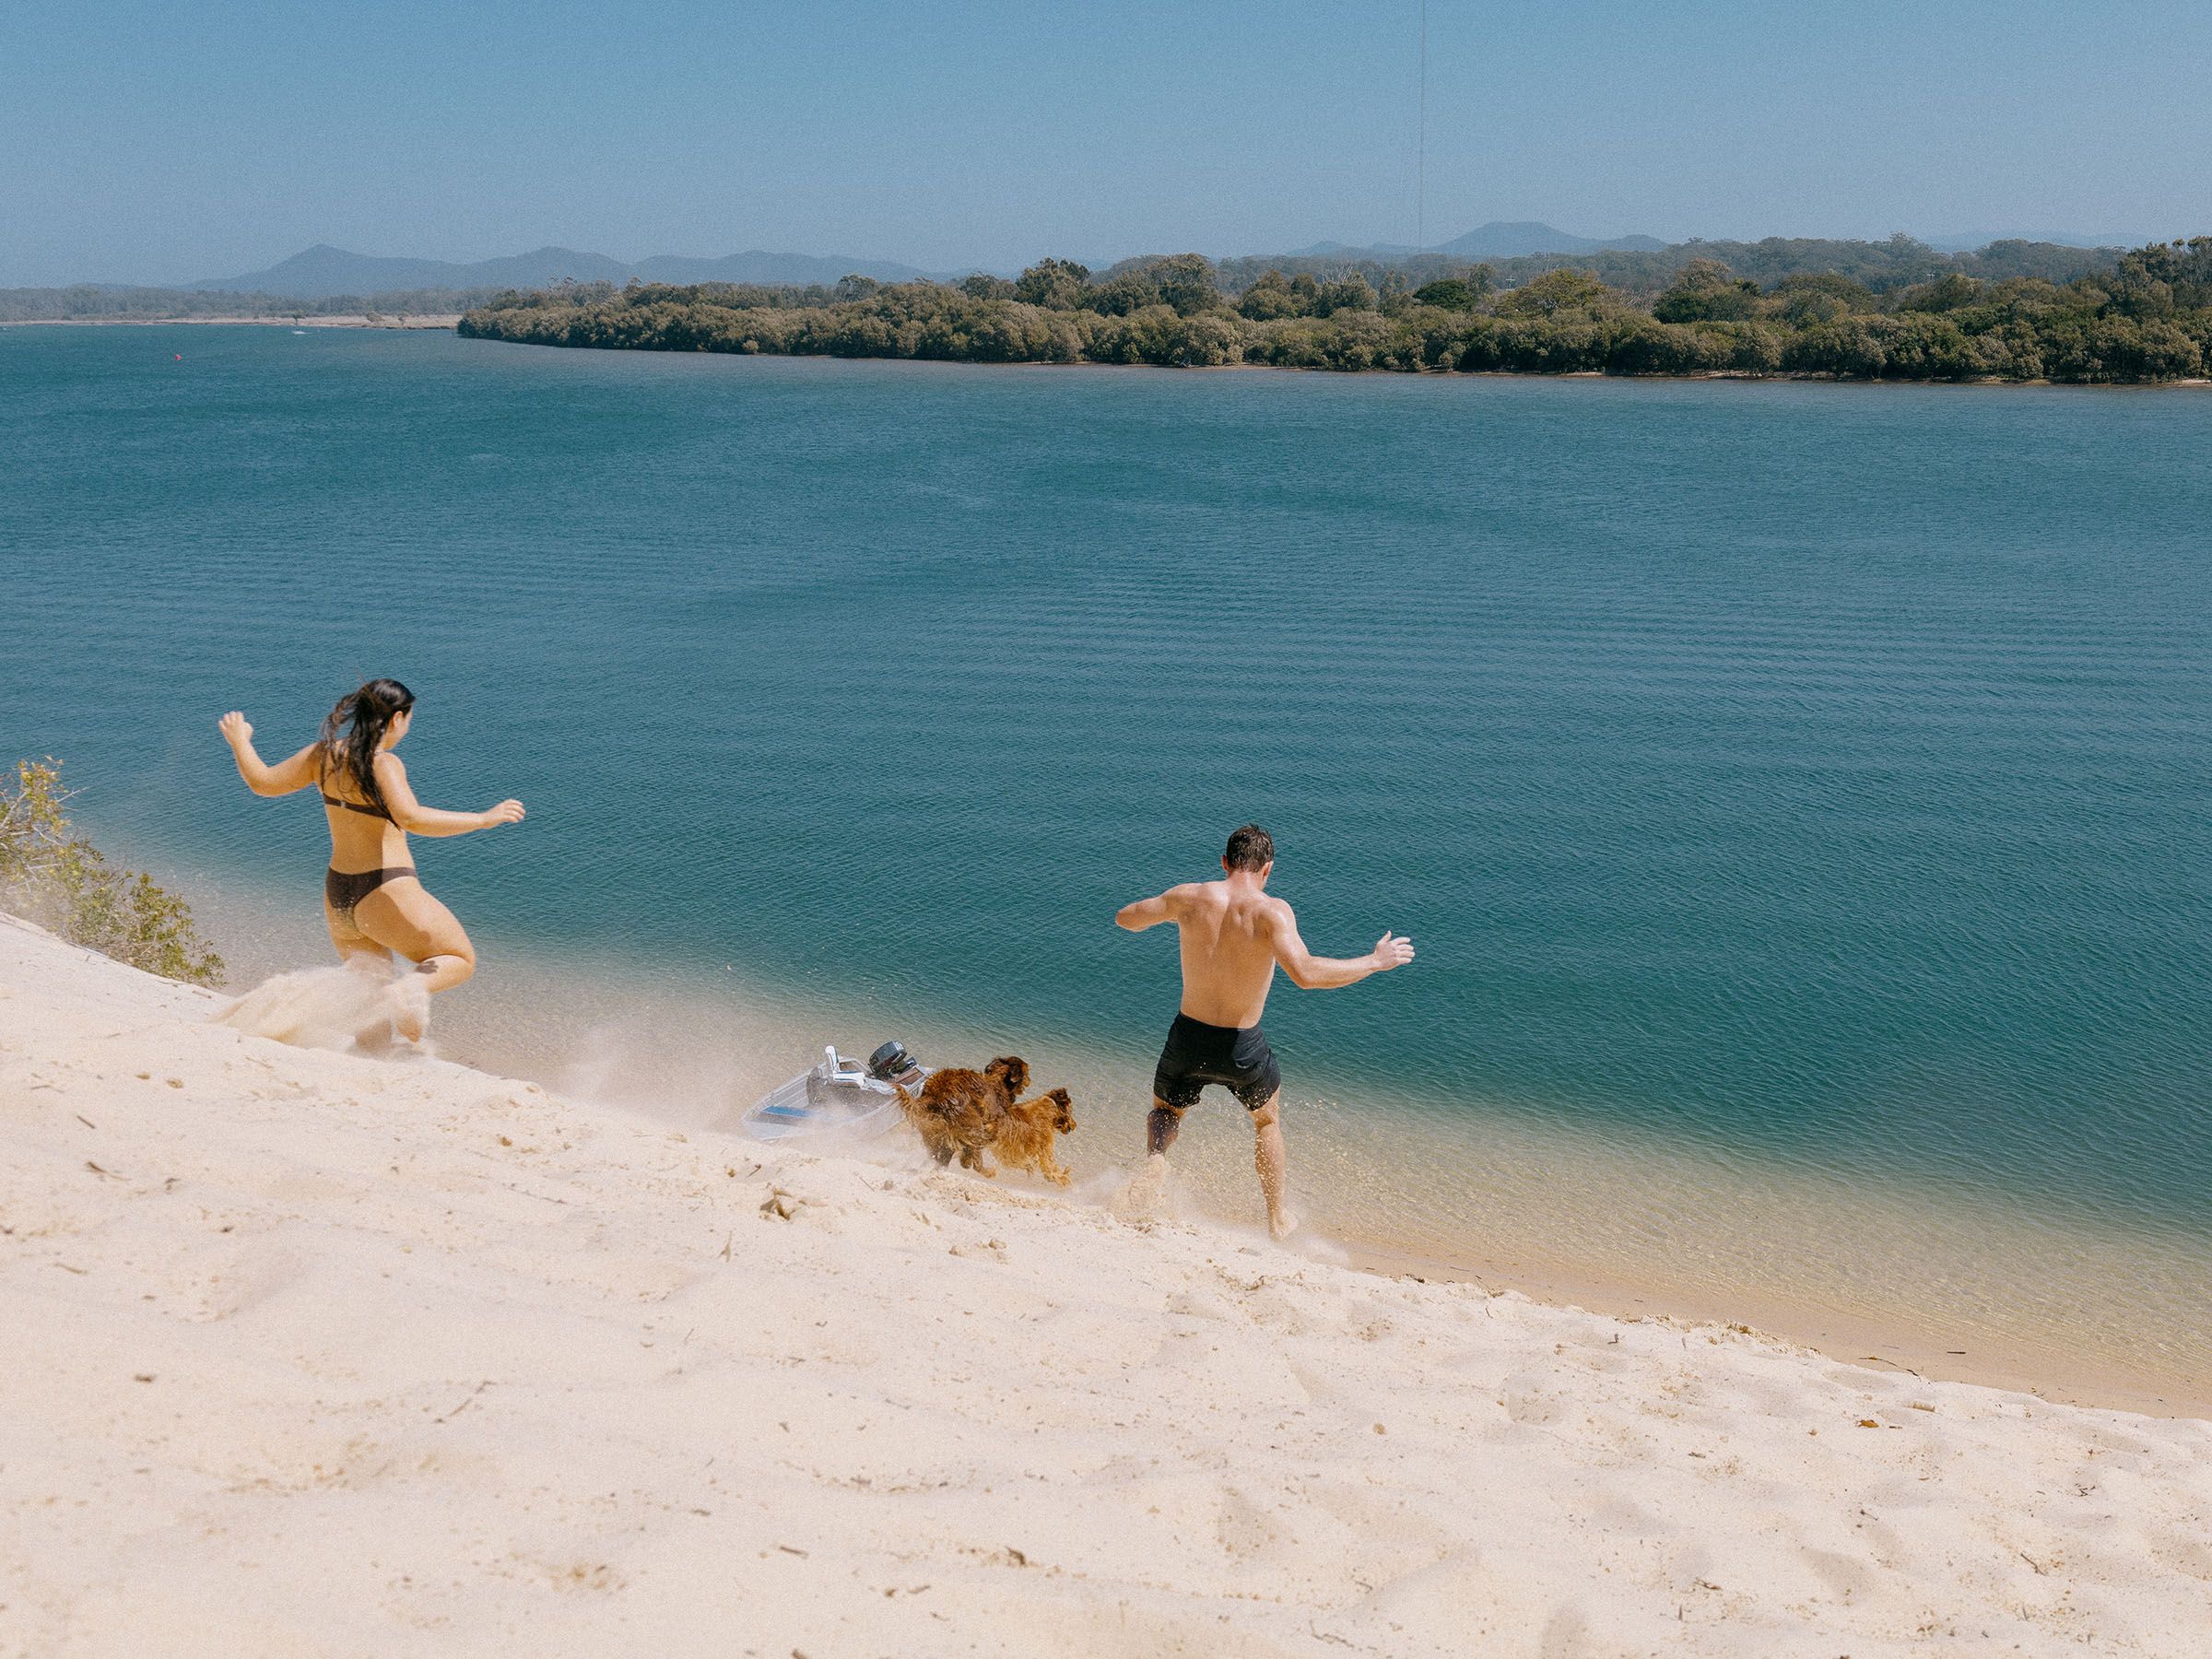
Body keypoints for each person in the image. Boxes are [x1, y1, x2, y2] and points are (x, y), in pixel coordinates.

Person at [1114, 824, 1413, 1239]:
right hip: (1242, 1046)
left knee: (1165, 1111)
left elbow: (1126, 919)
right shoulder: (1272, 911)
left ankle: (1155, 1162)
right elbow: (1307, 974)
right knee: (1266, 1122)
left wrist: (1170, 909)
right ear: (1267, 868)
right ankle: (1275, 1218)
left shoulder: (1190, 897)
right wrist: (1375, 962)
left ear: (1224, 862)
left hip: (1188, 1036)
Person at [218, 678, 524, 1041]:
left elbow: (264, 783)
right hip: (384, 886)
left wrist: (240, 741)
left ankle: (378, 1057)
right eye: (409, 719)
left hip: (339, 895)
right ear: (397, 719)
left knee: (369, 1000)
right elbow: (410, 817)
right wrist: (483, 819)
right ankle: (408, 991)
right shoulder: (383, 763)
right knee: (459, 959)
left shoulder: (323, 755)